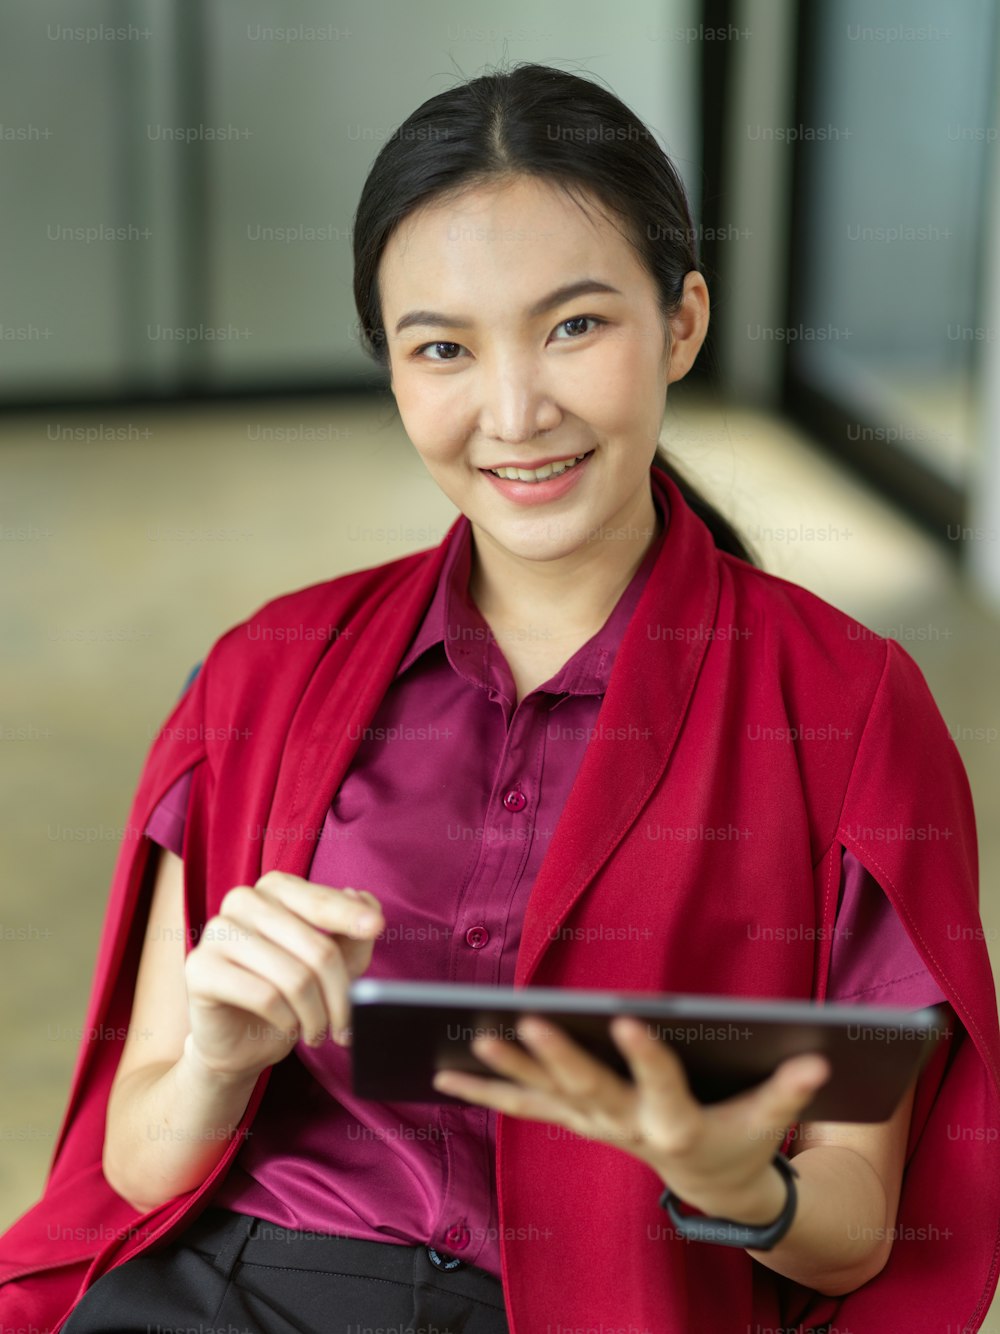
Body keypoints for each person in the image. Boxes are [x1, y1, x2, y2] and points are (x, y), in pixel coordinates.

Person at [2, 61, 998, 1334]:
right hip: (232, 1287)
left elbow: (863, 1226)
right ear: (392, 369)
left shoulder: (846, 708)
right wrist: (213, 1053)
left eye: (575, 325)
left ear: (682, 321)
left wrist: (739, 1182)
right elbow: (137, 1158)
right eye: (442, 348)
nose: (515, 411)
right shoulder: (267, 666)